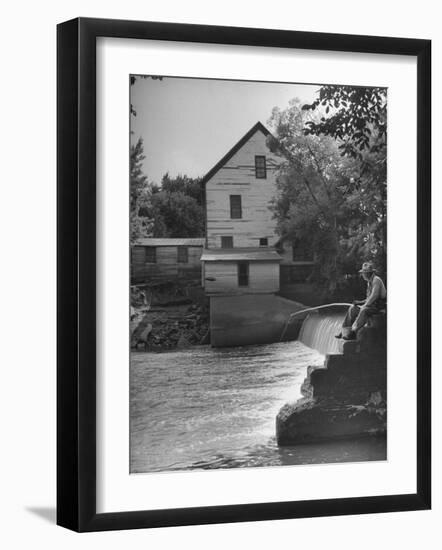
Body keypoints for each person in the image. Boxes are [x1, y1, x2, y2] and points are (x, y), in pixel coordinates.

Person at [336, 262, 387, 340]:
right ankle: (344, 331)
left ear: (368, 274)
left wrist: (364, 305)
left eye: (363, 273)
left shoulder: (376, 280)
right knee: (352, 308)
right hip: (371, 306)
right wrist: (360, 302)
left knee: (364, 310)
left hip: (378, 308)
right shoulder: (369, 282)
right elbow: (369, 298)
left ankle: (353, 332)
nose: (362, 275)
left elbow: (374, 296)